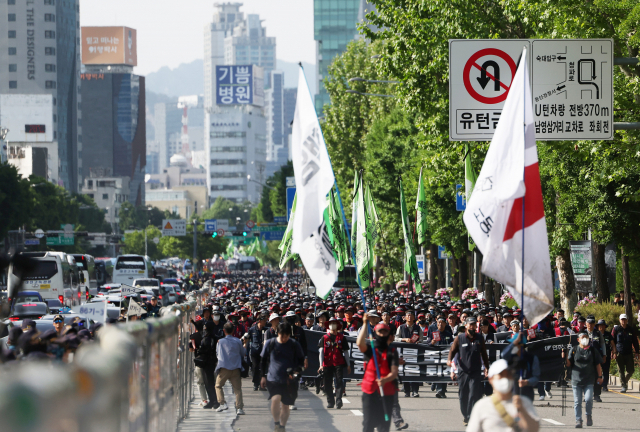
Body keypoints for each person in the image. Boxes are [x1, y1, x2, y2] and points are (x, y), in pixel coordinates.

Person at [466, 359, 541, 432]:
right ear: (491, 379)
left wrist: (523, 410)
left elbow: (534, 429)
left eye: (508, 375)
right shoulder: (482, 406)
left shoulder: (524, 402)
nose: (505, 378)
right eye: (501, 375)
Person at [260, 321, 305, 432]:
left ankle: (282, 426)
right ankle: (276, 423)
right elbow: (263, 360)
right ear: (277, 333)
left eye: (286, 336)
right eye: (282, 336)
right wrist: (262, 376)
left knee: (285, 405)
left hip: (289, 381)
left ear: (290, 335)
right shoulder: (270, 343)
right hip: (273, 378)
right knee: (275, 399)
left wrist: (295, 373)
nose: (284, 338)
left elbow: (301, 363)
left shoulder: (294, 344)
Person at [356, 317, 399, 432]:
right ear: (375, 333)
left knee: (384, 426)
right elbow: (359, 343)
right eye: (380, 331)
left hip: (387, 391)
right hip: (370, 391)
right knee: (368, 424)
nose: (382, 334)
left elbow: (394, 372)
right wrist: (365, 323)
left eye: (385, 331)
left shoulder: (392, 351)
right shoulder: (371, 349)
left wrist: (385, 379)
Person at [448, 316, 490, 426]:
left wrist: (486, 368)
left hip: (475, 372)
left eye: (474, 325)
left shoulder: (480, 338)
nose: (472, 326)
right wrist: (449, 361)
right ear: (466, 326)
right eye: (470, 324)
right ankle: (465, 415)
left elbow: (484, 354)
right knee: (463, 395)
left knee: (473, 394)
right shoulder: (460, 338)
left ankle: (471, 416)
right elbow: (452, 351)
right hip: (463, 372)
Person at [564, 330, 604, 428]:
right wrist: (564, 357)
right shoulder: (574, 349)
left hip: (589, 380)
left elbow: (598, 365)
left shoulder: (593, 351)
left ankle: (588, 415)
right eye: (583, 338)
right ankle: (578, 420)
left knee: (589, 399)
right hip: (576, 380)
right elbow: (568, 364)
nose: (585, 339)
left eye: (586, 337)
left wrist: (600, 377)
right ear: (578, 339)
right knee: (577, 402)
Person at [318, 317, 350, 409]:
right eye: (331, 323)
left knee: (339, 382)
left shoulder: (342, 338)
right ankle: (330, 402)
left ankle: (339, 400)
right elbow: (321, 352)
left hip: (338, 363)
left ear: (337, 325)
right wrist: (321, 365)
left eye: (334, 323)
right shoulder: (324, 337)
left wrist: (348, 365)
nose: (332, 325)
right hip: (327, 364)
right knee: (327, 383)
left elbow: (346, 352)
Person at [215, 322, 246, 415]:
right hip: (236, 368)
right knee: (237, 389)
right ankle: (239, 408)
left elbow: (217, 353)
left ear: (224, 331)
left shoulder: (220, 342)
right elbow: (243, 353)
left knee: (218, 385)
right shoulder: (238, 341)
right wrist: (245, 344)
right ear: (233, 331)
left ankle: (222, 403)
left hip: (224, 368)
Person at [395, 310, 423, 397]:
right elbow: (396, 338)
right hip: (404, 352)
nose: (410, 317)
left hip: (415, 353)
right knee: (405, 371)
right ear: (405, 317)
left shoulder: (418, 328)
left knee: (415, 371)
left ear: (414, 318)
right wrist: (405, 339)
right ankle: (407, 391)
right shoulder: (401, 327)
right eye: (408, 315)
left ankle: (415, 391)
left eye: (411, 315)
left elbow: (421, 339)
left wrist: (418, 342)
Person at [611, 313, 640, 393]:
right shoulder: (616, 329)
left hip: (628, 353)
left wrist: (637, 352)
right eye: (622, 319)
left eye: (625, 319)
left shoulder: (631, 329)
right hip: (619, 352)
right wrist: (613, 352)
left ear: (627, 320)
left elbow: (635, 341)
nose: (623, 321)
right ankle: (624, 386)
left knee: (631, 370)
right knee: (621, 370)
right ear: (620, 320)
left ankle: (624, 381)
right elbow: (612, 341)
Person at [428, 316, 454, 398]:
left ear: (445, 324)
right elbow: (428, 344)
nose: (440, 324)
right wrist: (432, 343)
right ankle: (439, 389)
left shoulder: (448, 334)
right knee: (439, 373)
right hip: (436, 356)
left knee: (444, 373)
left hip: (446, 356)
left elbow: (452, 343)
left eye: (442, 323)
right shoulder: (434, 333)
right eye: (438, 322)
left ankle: (442, 390)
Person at [198, 321, 220, 409]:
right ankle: (212, 400)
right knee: (210, 383)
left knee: (209, 383)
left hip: (207, 363)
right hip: (212, 362)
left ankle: (214, 401)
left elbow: (203, 350)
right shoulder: (214, 338)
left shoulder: (207, 338)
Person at [247, 313, 268, 391]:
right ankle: (256, 384)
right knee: (255, 367)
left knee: (263, 368)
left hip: (263, 352)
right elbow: (247, 338)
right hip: (254, 352)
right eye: (264, 320)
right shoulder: (252, 329)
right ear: (259, 321)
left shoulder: (266, 330)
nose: (265, 322)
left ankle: (262, 384)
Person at [597, 319, 613, 392]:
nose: (601, 327)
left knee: (606, 371)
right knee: (597, 371)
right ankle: (598, 385)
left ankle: (605, 385)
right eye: (600, 325)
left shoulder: (608, 334)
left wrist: (614, 352)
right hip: (597, 356)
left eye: (602, 325)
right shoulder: (595, 334)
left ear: (605, 327)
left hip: (606, 355)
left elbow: (612, 344)